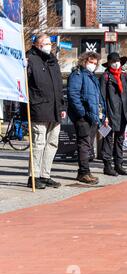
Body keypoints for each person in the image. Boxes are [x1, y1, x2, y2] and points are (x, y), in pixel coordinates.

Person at [26, 33, 65, 189]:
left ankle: (45, 174)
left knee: (52, 143)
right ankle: (33, 176)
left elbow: (59, 87)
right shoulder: (30, 60)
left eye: (50, 43)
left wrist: (61, 106)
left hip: (54, 109)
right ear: (37, 44)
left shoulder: (53, 61)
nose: (49, 46)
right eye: (46, 43)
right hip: (39, 108)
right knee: (38, 143)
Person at [67, 51, 105, 184]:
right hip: (83, 117)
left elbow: (97, 97)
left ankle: (84, 171)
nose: (93, 65)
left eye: (95, 63)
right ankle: (84, 172)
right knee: (83, 144)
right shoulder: (77, 74)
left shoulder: (91, 76)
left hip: (92, 116)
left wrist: (100, 114)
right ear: (84, 61)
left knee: (87, 145)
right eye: (91, 62)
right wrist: (82, 113)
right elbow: (73, 95)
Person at [100, 52, 127, 176]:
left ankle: (119, 165)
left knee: (120, 139)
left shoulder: (124, 76)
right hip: (110, 111)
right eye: (113, 61)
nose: (116, 63)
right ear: (109, 63)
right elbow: (102, 97)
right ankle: (107, 166)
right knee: (108, 138)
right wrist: (104, 115)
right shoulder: (105, 77)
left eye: (117, 61)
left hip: (123, 112)